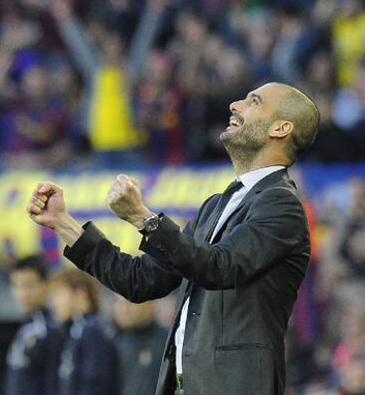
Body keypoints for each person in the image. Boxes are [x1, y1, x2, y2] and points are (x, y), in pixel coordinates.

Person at [27, 82, 320, 395]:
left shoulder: (283, 205)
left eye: (254, 102)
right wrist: (63, 224)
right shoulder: (214, 206)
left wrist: (144, 218)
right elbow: (140, 280)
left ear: (281, 128)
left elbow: (220, 267)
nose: (235, 105)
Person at [48, 268, 120, 395]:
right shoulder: (78, 330)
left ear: (81, 293)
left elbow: (95, 385)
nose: (54, 303)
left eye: (58, 294)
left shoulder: (93, 331)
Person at [5, 255, 63, 395]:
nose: (22, 293)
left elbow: (53, 383)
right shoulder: (28, 326)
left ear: (46, 285)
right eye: (16, 286)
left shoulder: (50, 329)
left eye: (29, 286)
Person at [113, 296, 168, 395]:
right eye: (119, 303)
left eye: (129, 303)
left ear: (151, 305)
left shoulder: (166, 341)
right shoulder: (114, 341)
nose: (124, 309)